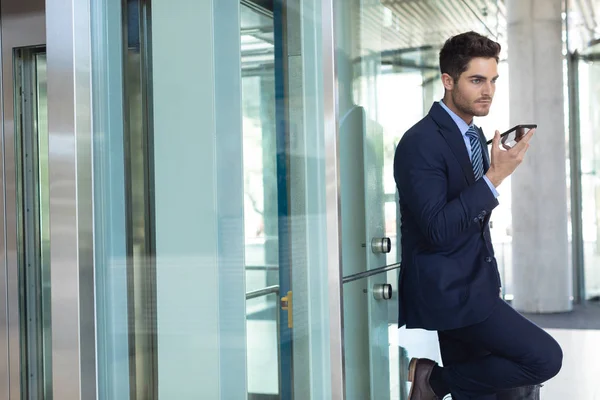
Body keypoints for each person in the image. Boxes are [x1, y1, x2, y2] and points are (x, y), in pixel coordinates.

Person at [393, 31, 563, 400]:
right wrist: (495, 176)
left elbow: (468, 212)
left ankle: (434, 381)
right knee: (545, 358)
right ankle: (431, 380)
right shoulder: (420, 142)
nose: (487, 90)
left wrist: (489, 168)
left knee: (486, 392)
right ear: (448, 81)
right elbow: (437, 228)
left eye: (492, 80)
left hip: (476, 284)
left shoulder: (471, 136)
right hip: (450, 294)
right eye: (476, 80)